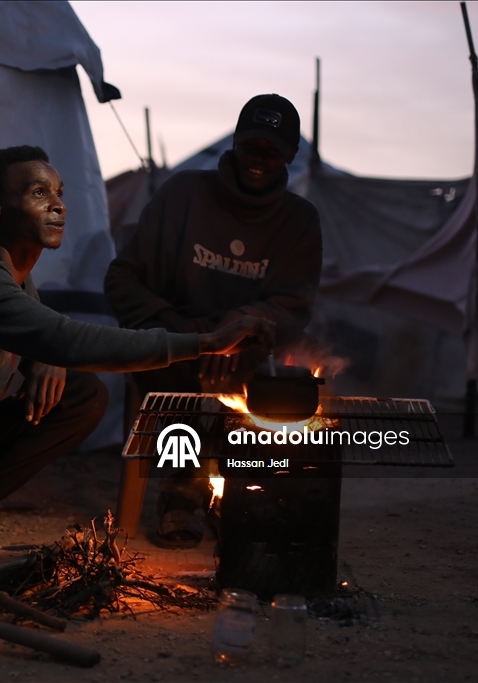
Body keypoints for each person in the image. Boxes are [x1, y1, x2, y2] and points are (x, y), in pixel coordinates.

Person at [0, 145, 275, 579]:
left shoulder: (20, 281)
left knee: (79, 394)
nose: (57, 205)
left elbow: (46, 335)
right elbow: (63, 337)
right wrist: (207, 342)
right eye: (39, 193)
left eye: (59, 193)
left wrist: (47, 356)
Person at [104, 94, 323, 549]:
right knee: (168, 369)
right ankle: (180, 489)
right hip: (176, 341)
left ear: (290, 156)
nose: (259, 160)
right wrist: (194, 337)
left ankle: (241, 495)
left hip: (248, 352)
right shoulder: (183, 192)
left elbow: (294, 303)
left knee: (273, 382)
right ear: (235, 144)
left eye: (272, 151)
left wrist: (238, 328)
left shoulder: (300, 220)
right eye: (251, 148)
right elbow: (123, 277)